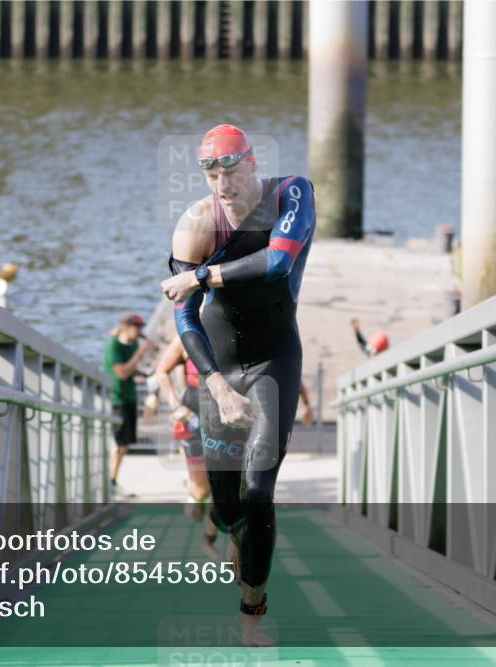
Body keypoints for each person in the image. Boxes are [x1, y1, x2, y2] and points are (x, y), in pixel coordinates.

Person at [160, 124, 315, 647]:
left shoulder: (291, 192)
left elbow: (278, 262)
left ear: (252, 163)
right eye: (211, 173)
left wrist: (202, 277)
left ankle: (254, 610)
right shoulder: (195, 225)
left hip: (275, 359)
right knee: (226, 507)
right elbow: (185, 320)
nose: (223, 185)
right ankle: (235, 536)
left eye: (231, 170)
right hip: (220, 368)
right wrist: (216, 384)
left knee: (257, 489)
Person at [152, 336, 220, 560]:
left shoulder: (229, 326)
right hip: (192, 409)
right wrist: (175, 404)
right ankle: (195, 498)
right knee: (202, 488)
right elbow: (161, 371)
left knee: (222, 482)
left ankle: (208, 539)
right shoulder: (186, 335)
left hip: (223, 409)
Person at [104, 313, 151, 498]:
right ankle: (111, 483)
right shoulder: (113, 345)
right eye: (137, 327)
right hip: (118, 399)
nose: (140, 332)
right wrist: (141, 353)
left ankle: (113, 482)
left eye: (141, 328)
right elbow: (122, 372)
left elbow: (130, 369)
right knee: (119, 444)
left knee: (124, 445)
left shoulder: (131, 345)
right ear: (126, 327)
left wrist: (148, 374)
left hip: (129, 398)